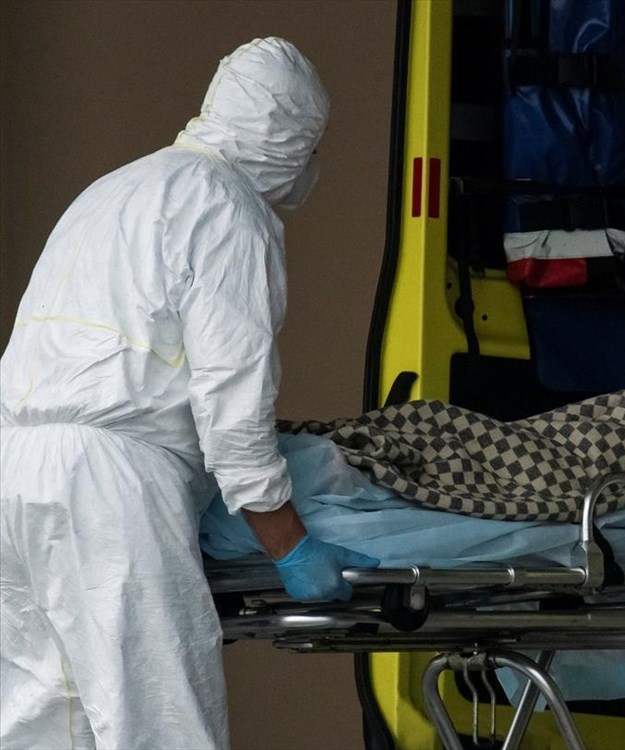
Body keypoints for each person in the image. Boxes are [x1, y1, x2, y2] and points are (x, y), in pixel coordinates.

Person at [0, 38, 379, 749]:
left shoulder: (112, 190)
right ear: (289, 138)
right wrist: (291, 547)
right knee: (161, 728)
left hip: (13, 474)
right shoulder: (228, 210)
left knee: (44, 722)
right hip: (111, 488)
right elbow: (233, 413)